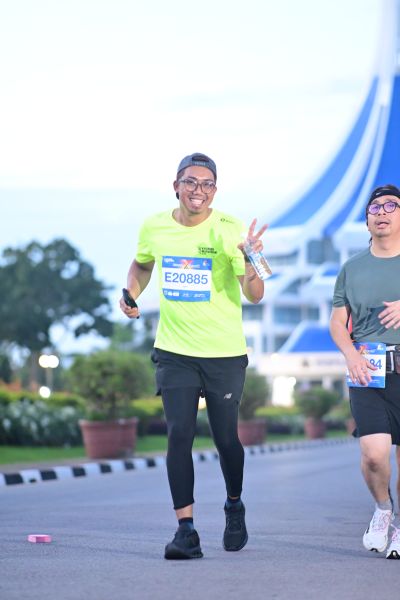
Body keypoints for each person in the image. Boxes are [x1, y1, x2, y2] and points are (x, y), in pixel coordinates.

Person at [120, 152, 267, 560]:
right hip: (174, 351)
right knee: (179, 434)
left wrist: (252, 257)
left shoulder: (231, 229)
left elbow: (255, 294)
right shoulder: (154, 226)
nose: (198, 190)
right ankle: (186, 530)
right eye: (190, 182)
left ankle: (234, 504)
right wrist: (131, 292)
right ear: (176, 186)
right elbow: (142, 264)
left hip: (224, 353)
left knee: (226, 439)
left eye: (206, 184)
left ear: (215, 191)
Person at [329, 183, 400, 559]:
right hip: (367, 369)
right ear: (367, 221)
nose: (382, 212)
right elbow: (338, 322)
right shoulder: (352, 268)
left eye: (391, 205)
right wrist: (350, 355)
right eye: (375, 208)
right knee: (374, 453)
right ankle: (383, 510)